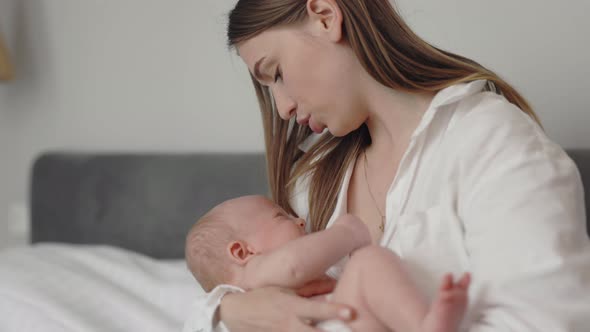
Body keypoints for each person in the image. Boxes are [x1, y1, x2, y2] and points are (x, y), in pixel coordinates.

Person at [188, 0, 590, 331]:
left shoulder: (490, 140)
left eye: (276, 73)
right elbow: (221, 292)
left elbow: (547, 320)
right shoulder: (313, 184)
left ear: (326, 16)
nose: (283, 108)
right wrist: (229, 310)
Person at [183, 195, 471, 332]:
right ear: (242, 252)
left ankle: (424, 326)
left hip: (347, 322)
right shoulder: (247, 284)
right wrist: (346, 232)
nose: (301, 219)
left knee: (368, 262)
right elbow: (292, 266)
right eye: (281, 216)